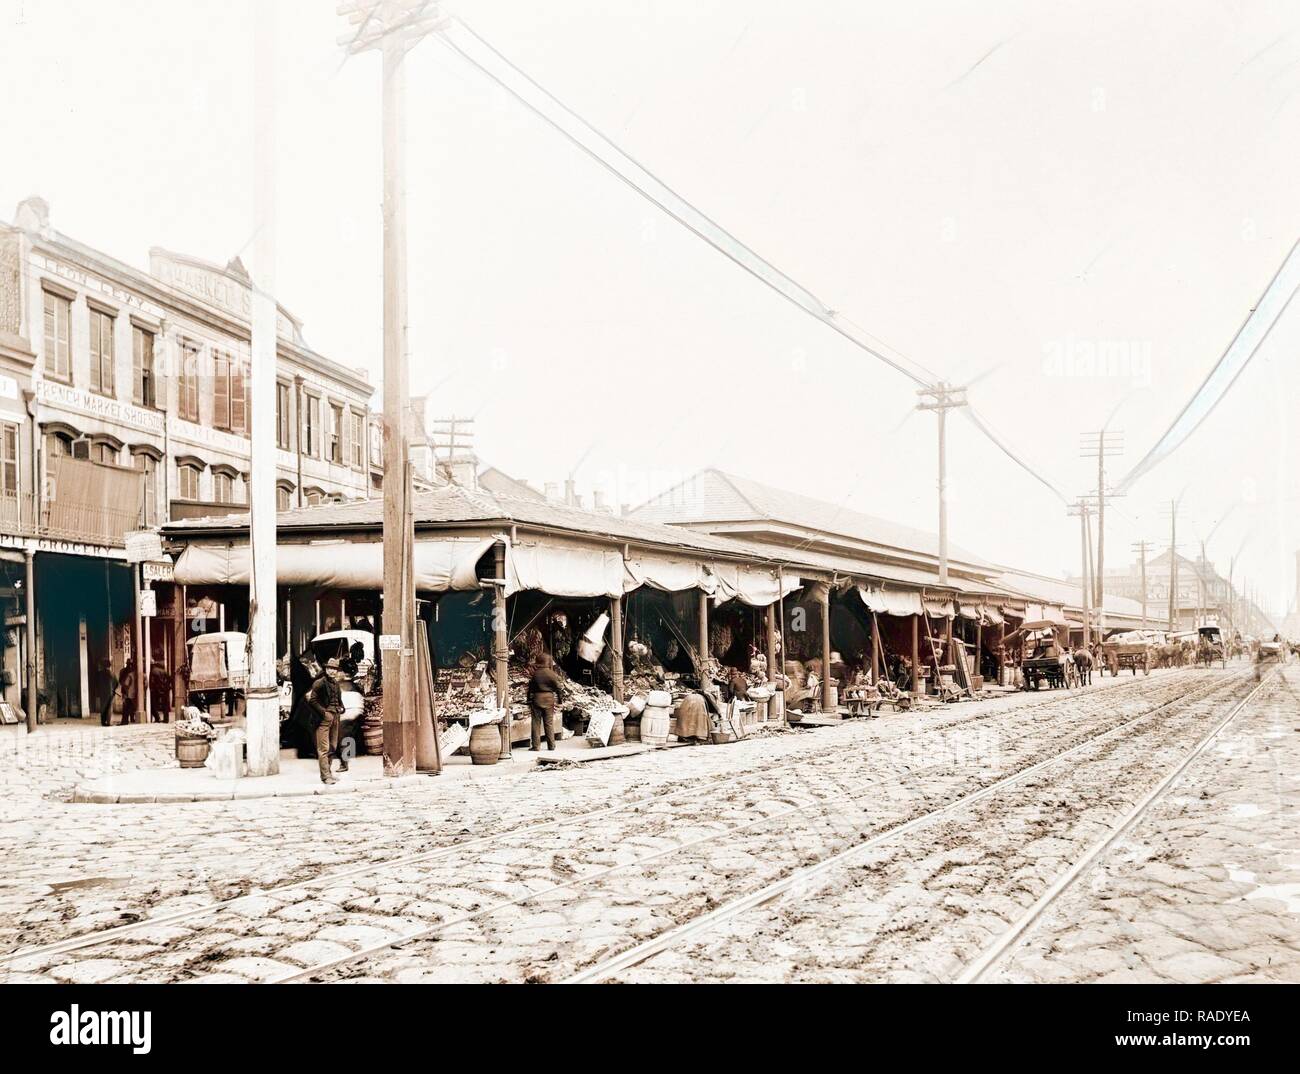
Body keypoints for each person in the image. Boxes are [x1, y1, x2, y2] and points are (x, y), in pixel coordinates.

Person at [306, 657, 346, 783]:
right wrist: (324, 713)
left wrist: (341, 708)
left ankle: (328, 772)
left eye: (334, 669)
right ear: (326, 669)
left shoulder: (336, 684)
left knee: (332, 747)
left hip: (335, 717)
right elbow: (312, 700)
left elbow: (339, 701)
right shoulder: (319, 683)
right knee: (323, 748)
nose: (333, 671)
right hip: (323, 719)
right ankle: (325, 776)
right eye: (330, 668)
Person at [527, 653, 563, 751]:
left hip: (537, 698)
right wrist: (560, 700)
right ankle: (551, 745)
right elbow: (559, 688)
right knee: (549, 723)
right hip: (549, 699)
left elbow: (530, 689)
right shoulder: (552, 674)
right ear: (547, 662)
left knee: (536, 722)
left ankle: (536, 746)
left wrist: (528, 700)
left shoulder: (535, 674)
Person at [99, 659, 117, 727]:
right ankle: (108, 722)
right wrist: (113, 689)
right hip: (110, 693)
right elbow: (116, 683)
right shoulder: (111, 673)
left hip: (102, 693)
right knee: (109, 708)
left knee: (103, 707)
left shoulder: (100, 673)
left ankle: (103, 722)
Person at [119, 659, 138, 724]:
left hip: (125, 690)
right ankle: (131, 718)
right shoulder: (134, 672)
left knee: (126, 705)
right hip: (131, 691)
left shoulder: (122, 671)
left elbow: (120, 681)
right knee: (131, 705)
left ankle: (125, 719)